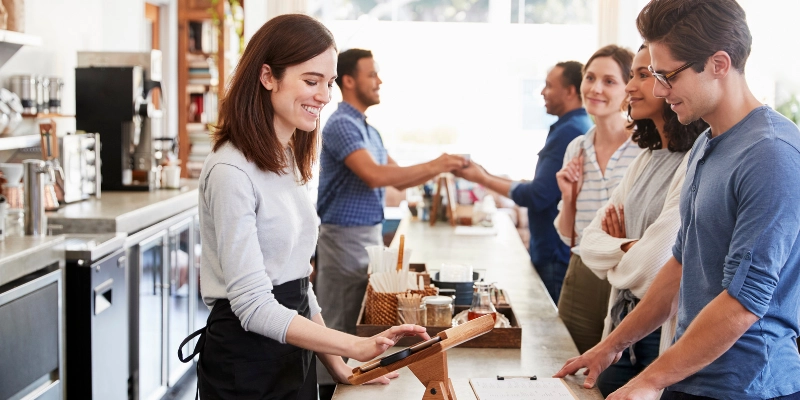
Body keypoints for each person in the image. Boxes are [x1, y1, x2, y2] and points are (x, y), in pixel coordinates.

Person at [555, 1, 800, 399]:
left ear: (719, 64)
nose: (657, 89)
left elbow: (743, 303)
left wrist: (648, 379)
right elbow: (680, 265)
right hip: (690, 377)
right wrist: (611, 346)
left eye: (667, 76)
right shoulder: (705, 144)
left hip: (751, 388)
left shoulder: (771, 154)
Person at [180, 15, 430, 400]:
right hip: (245, 366)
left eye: (327, 84)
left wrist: (337, 365)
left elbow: (298, 281)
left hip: (292, 356)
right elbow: (252, 305)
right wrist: (352, 344)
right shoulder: (231, 170)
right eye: (311, 81)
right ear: (268, 76)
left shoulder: (286, 158)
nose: (324, 96)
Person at [575, 45, 707, 396]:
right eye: (632, 75)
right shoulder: (646, 160)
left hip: (659, 334)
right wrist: (633, 247)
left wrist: (624, 250)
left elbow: (657, 265)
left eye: (643, 75)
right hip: (621, 327)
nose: (631, 87)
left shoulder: (695, 159)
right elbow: (589, 243)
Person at [315, 48, 466, 337]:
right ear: (348, 81)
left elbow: (398, 180)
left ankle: (352, 379)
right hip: (343, 239)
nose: (379, 81)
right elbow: (374, 176)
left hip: (367, 236)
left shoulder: (369, 131)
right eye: (371, 74)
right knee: (340, 321)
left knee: (359, 320)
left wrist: (441, 166)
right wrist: (438, 163)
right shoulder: (341, 125)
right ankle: (327, 384)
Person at [454, 60, 593, 302]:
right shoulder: (574, 126)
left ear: (571, 91)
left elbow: (538, 195)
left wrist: (483, 178)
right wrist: (484, 174)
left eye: (549, 86)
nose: (542, 92)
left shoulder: (569, 132)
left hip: (554, 253)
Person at [553, 45, 643, 354]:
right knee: (564, 365)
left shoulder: (646, 147)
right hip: (581, 274)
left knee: (611, 376)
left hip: (628, 274)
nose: (595, 88)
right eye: (590, 78)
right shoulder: (577, 148)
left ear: (629, 89)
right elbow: (569, 235)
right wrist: (568, 198)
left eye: (609, 81)